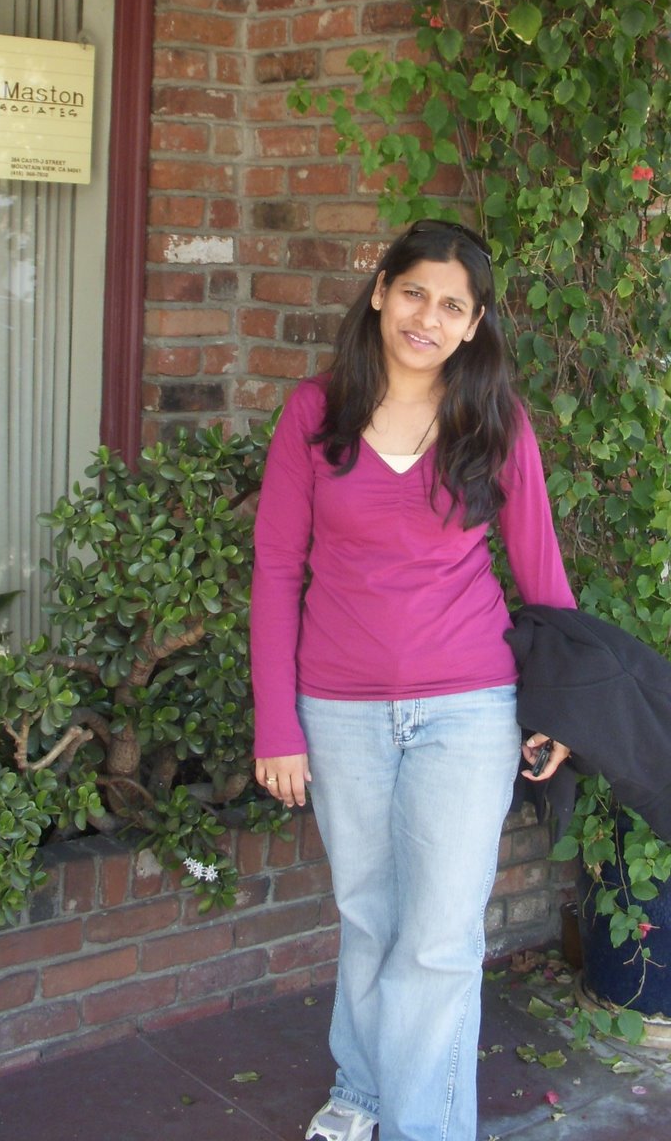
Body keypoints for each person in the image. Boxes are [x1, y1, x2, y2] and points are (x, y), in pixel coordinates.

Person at [249, 220, 576, 1141]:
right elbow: (276, 570)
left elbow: (542, 577)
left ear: (474, 325)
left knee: (438, 938)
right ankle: (361, 1093)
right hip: (338, 710)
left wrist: (559, 708)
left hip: (468, 710)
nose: (427, 318)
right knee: (369, 918)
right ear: (381, 291)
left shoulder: (496, 422)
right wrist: (278, 724)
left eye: (452, 306)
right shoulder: (314, 413)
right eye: (415, 293)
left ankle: (423, 1127)